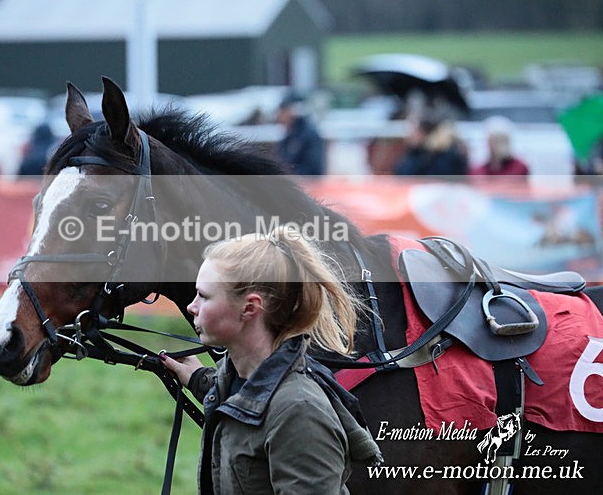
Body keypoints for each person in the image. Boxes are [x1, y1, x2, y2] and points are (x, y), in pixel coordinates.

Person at [161, 225, 382, 494]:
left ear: (250, 308)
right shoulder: (236, 379)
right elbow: (250, 399)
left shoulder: (299, 413)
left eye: (204, 296)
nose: (191, 307)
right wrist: (198, 379)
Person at [394, 110, 468, 177]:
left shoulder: (445, 155)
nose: (409, 134)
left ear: (423, 132)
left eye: (412, 130)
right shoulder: (416, 152)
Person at [276, 93, 325, 175]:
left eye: (283, 111)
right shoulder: (289, 136)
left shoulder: (308, 135)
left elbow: (314, 167)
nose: (279, 116)